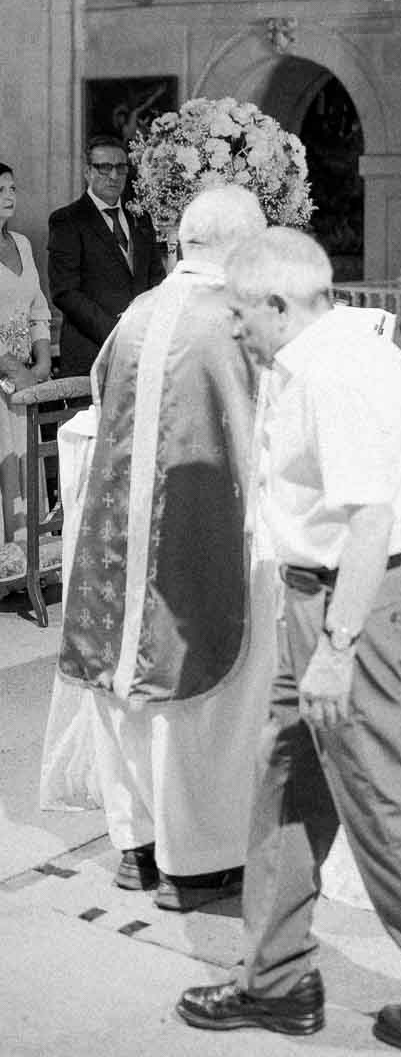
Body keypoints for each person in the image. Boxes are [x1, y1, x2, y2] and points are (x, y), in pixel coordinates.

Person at [177, 227, 401, 1052]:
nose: (231, 327)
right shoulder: (340, 354)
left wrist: (335, 646)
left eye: (238, 312)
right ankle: (278, 979)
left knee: (379, 805)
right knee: (286, 784)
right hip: (324, 600)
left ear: (279, 303)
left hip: (349, 607)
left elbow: (370, 521)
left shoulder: (335, 375)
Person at [55, 185, 270, 912]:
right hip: (196, 540)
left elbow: (97, 397)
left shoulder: (136, 314)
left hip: (117, 543)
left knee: (125, 690)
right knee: (203, 692)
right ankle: (197, 864)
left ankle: (135, 846)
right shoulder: (240, 321)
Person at [48, 133, 166, 375]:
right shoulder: (67, 220)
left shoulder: (141, 218)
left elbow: (157, 281)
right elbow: (65, 292)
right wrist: (116, 334)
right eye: (104, 168)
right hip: (91, 353)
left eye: (120, 168)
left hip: (141, 352)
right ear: (88, 172)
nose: (113, 176)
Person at [0, 163, 54, 582]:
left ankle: (27, 563)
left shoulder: (21, 242)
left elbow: (38, 309)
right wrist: (9, 367)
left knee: (26, 462)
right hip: (2, 375)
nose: (9, 195)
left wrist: (42, 362)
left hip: (26, 378)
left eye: (12, 187)